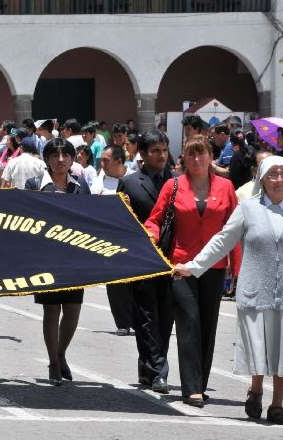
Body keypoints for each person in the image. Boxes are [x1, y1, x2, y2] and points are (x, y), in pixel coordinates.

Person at [174, 155, 283, 426]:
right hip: (256, 291)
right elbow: (223, 240)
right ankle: (256, 388)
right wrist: (193, 266)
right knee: (259, 345)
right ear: (261, 179)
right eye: (272, 174)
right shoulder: (248, 209)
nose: (279, 180)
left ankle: (277, 405)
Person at [146, 135, 241, 408]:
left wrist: (238, 269)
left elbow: (234, 231)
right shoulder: (173, 185)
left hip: (214, 266)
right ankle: (192, 388)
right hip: (181, 265)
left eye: (202, 154)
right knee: (188, 321)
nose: (197, 159)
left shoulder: (226, 187)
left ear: (211, 157)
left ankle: (199, 382)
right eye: (191, 154)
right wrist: (150, 239)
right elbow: (155, 220)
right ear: (184, 158)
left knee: (207, 325)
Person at [25, 138, 89, 386]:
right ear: (47, 160)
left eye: (65, 155)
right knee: (51, 310)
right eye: (54, 155)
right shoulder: (34, 185)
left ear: (73, 159)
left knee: (73, 309)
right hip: (46, 257)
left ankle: (62, 353)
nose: (60, 160)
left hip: (74, 258)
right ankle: (53, 361)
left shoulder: (80, 186)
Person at [115, 130, 174, 393]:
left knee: (166, 318)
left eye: (164, 150)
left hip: (173, 261)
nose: (161, 156)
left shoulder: (177, 182)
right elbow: (120, 221)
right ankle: (159, 370)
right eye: (155, 151)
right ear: (143, 154)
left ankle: (147, 367)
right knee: (146, 317)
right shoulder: (130, 183)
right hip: (142, 258)